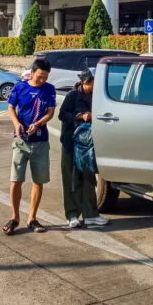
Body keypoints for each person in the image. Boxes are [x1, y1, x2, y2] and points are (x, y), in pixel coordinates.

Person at [4, 58, 56, 235]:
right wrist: (16, 123)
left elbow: (50, 112)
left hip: (40, 141)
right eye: (40, 76)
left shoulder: (49, 89)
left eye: (45, 77)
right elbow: (11, 107)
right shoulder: (20, 87)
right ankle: (14, 217)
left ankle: (32, 218)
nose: (42, 80)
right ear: (32, 72)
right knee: (15, 180)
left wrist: (39, 123)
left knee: (38, 180)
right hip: (21, 141)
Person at [58, 69, 107, 228]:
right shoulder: (72, 95)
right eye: (94, 82)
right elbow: (62, 115)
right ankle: (72, 214)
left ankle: (91, 214)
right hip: (71, 143)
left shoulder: (97, 96)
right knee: (71, 179)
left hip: (88, 144)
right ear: (87, 82)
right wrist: (80, 116)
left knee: (89, 177)